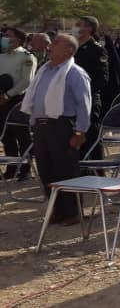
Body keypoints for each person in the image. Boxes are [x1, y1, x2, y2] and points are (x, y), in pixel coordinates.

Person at [24, 34, 91, 225]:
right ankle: (57, 209)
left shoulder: (75, 73)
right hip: (41, 126)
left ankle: (73, 212)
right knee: (46, 169)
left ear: (68, 50)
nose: (49, 46)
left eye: (55, 43)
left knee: (66, 170)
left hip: (62, 126)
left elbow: (84, 104)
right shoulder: (44, 70)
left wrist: (80, 131)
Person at [0, 27, 37, 179]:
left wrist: (8, 95)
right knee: (6, 136)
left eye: (8, 35)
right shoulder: (2, 56)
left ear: (18, 39)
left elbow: (26, 81)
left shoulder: (26, 56)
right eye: (4, 35)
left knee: (22, 135)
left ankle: (26, 169)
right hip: (1, 99)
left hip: (17, 100)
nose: (4, 38)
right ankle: (11, 168)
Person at [72, 16, 109, 163]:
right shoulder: (72, 48)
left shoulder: (96, 50)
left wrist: (82, 92)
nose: (75, 27)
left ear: (89, 29)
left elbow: (102, 78)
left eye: (78, 25)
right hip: (70, 101)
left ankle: (97, 168)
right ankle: (79, 169)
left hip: (89, 99)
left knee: (91, 135)